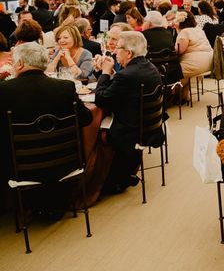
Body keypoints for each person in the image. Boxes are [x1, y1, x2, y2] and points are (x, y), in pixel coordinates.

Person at [0, 43, 93, 211]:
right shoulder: (64, 87)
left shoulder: (4, 91)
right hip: (64, 162)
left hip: (20, 167)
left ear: (19, 63)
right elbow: (86, 119)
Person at [94, 31, 164, 194]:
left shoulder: (127, 75)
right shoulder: (149, 67)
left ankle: (105, 179)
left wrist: (105, 73)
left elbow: (102, 100)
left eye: (118, 48)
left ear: (129, 52)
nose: (115, 52)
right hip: (149, 126)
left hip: (129, 132)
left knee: (93, 131)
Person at [174, 11, 213, 100]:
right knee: (185, 73)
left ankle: (172, 96)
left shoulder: (184, 32)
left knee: (174, 73)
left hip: (196, 63)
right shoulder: (199, 29)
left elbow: (179, 50)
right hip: (209, 61)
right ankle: (184, 95)